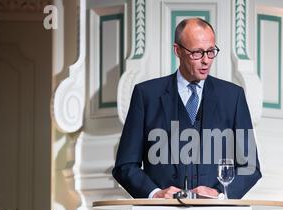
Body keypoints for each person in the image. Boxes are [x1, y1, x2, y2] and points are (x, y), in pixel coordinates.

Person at [112, 18, 261, 199]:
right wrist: (155, 194)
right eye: (197, 53)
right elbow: (125, 165)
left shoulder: (233, 96)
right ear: (178, 51)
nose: (206, 60)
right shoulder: (146, 95)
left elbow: (250, 167)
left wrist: (221, 194)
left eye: (211, 51)